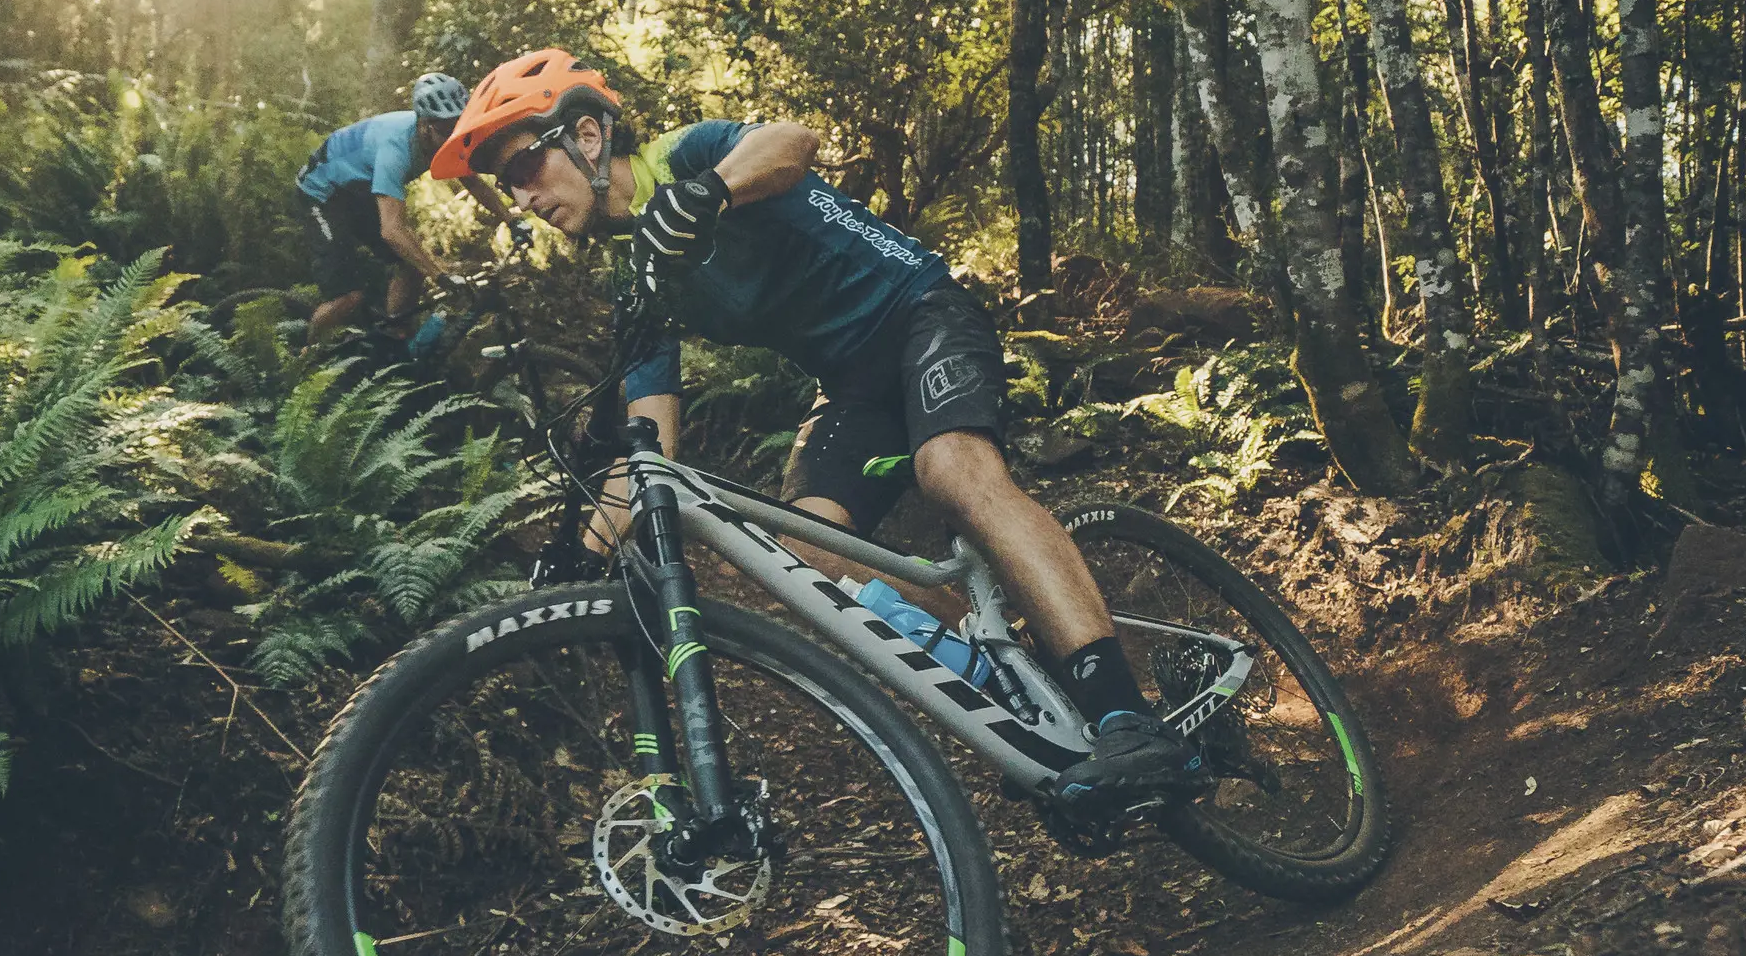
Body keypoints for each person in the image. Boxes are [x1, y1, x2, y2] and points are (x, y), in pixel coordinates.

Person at [429, 47, 1202, 820]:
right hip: (850, 386)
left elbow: (793, 142)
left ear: (588, 137)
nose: (521, 195)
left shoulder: (689, 154)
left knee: (953, 470)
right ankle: (1012, 675)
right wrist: (582, 555)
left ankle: (1121, 712)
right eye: (506, 184)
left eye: (525, 166)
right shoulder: (639, 278)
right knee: (808, 550)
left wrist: (710, 192)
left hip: (922, 315)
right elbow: (651, 453)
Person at [298, 72, 516, 354]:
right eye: (445, 129)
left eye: (458, 126)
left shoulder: (442, 138)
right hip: (322, 192)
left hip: (358, 189)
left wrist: (512, 219)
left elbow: (471, 179)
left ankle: (393, 339)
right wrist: (440, 275)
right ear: (425, 126)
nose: (453, 136)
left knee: (411, 266)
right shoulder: (396, 149)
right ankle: (302, 362)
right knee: (348, 297)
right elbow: (392, 230)